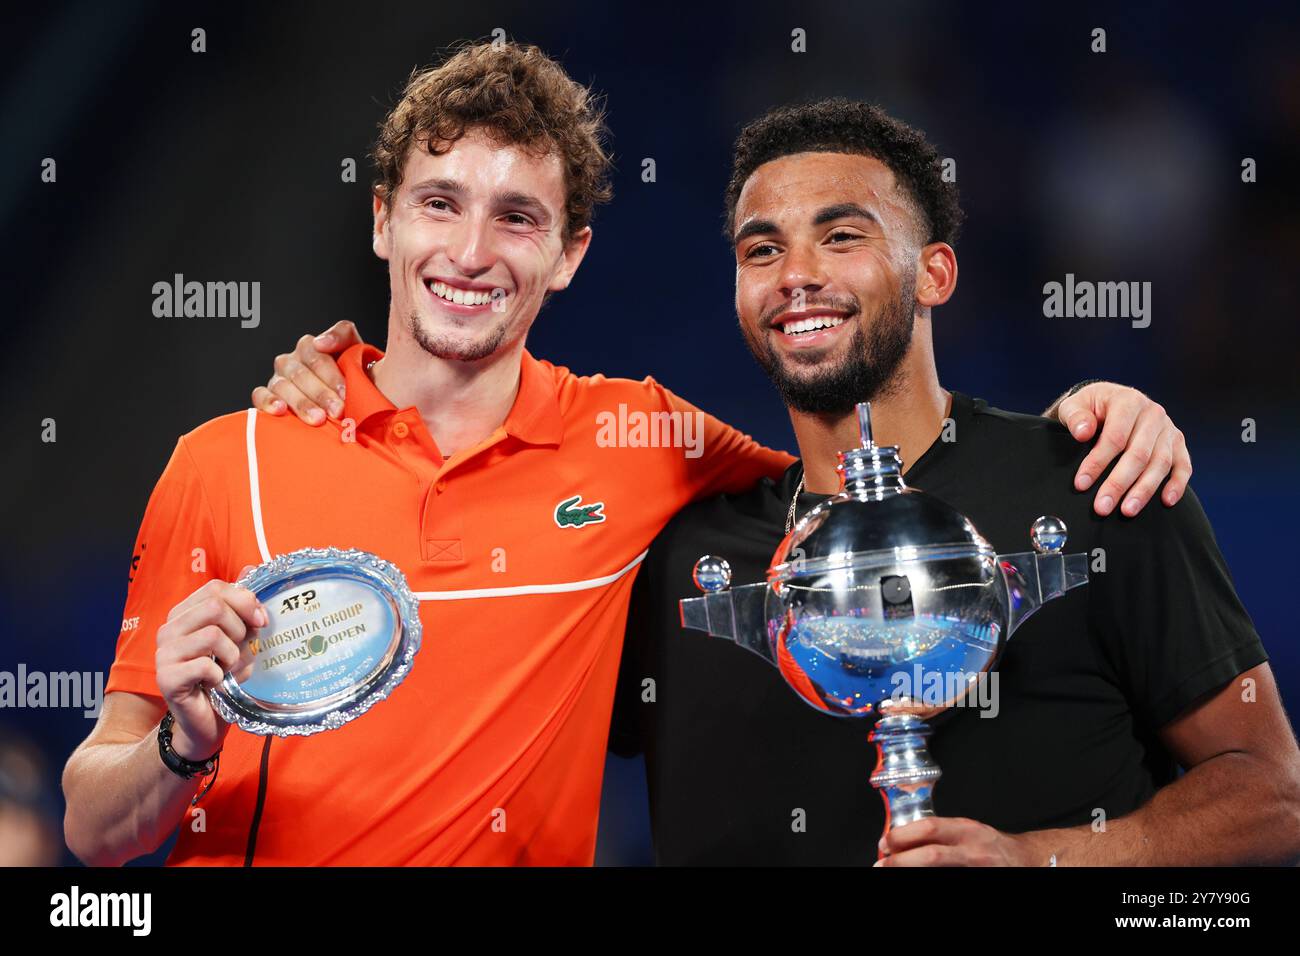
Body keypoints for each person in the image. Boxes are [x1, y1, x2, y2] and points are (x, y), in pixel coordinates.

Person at [67, 42, 1189, 868]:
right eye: (438, 204)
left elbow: (868, 461)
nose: (468, 250)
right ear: (381, 222)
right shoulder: (227, 461)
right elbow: (89, 827)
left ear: (569, 253)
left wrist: (1095, 416)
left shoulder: (644, 441)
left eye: (516, 217)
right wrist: (177, 742)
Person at [603, 99, 1299, 865]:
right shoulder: (679, 553)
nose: (797, 275)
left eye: (840, 237)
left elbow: (1274, 797)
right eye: (761, 251)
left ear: (934, 273)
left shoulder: (1098, 483)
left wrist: (1035, 861)